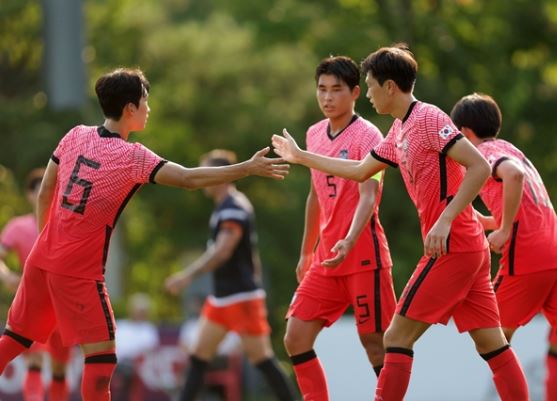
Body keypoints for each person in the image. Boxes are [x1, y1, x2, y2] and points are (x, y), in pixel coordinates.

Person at [0, 68, 289, 401]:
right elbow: (188, 179)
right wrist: (246, 168)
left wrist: (45, 240)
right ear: (129, 109)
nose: (149, 107)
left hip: (41, 257)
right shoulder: (131, 157)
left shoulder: (75, 135)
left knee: (14, 339)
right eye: (145, 100)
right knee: (102, 357)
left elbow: (45, 190)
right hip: (77, 270)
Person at [272, 44, 529, 401]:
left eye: (371, 85)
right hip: (467, 248)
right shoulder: (398, 131)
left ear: (389, 86)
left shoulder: (427, 119)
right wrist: (302, 157)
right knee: (492, 343)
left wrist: (445, 220)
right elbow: (361, 170)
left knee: (394, 338)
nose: (370, 94)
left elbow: (480, 166)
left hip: (452, 246)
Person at [280, 56, 396, 401]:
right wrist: (306, 251)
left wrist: (349, 238)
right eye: (322, 89)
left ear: (356, 92)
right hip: (326, 259)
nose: (327, 97)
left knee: (375, 345)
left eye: (336, 90)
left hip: (363, 255)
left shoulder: (369, 135)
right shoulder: (314, 133)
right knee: (295, 337)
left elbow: (368, 195)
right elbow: (315, 194)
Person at [165, 149, 298, 401]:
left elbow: (223, 251)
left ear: (222, 176)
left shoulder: (233, 207)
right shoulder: (229, 206)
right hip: (226, 297)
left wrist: (187, 276)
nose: (205, 178)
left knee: (262, 359)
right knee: (199, 356)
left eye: (209, 172)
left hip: (239, 297)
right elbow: (252, 254)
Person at [450, 93, 557, 401]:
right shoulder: (510, 147)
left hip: (528, 256)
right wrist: (491, 222)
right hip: (552, 246)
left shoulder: (485, 153)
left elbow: (514, 175)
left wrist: (506, 228)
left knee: (492, 340)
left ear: (466, 134)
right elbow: (524, 197)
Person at [0, 168, 72, 401]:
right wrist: (6, 275)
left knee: (59, 367)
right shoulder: (18, 227)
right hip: (33, 301)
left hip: (63, 304)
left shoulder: (66, 226)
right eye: (41, 189)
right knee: (35, 360)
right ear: (30, 195)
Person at [113, 292, 160, 401]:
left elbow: (148, 350)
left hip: (135, 367)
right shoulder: (120, 325)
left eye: (142, 311)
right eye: (138, 310)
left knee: (128, 370)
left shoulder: (149, 329)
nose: (139, 313)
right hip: (116, 364)